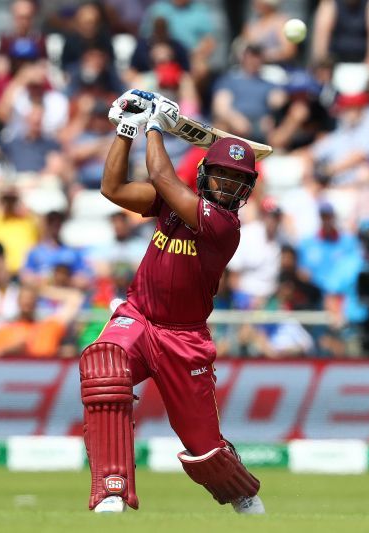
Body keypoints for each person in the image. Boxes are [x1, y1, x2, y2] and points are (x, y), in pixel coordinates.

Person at [81, 90, 264, 513]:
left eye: (238, 181)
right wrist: (127, 130)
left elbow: (164, 178)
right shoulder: (170, 203)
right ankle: (112, 487)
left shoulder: (224, 226)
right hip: (140, 318)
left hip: (185, 340)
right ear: (203, 173)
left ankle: (242, 492)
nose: (229, 187)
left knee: (204, 447)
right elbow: (112, 188)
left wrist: (155, 126)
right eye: (222, 176)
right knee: (105, 362)